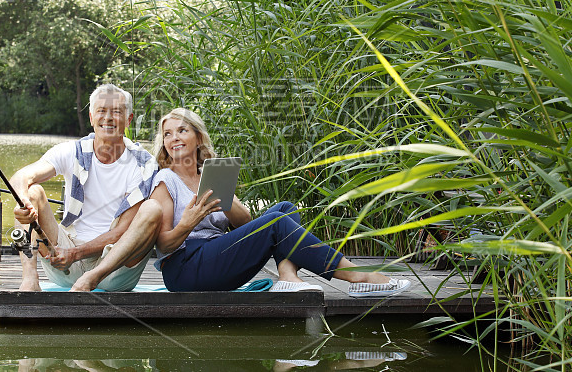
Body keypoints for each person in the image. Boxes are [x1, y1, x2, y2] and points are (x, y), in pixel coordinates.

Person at [149, 108, 411, 297]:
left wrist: (225, 200)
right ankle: (359, 276)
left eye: (182, 130)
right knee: (276, 222)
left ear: (197, 137)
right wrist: (187, 223)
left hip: (216, 256)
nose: (174, 138)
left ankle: (287, 277)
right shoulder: (166, 180)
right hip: (185, 269)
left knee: (285, 208)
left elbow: (245, 223)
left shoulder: (209, 173)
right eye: (168, 134)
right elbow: (162, 245)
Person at [11, 83, 162, 292]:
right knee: (33, 192)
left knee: (153, 208)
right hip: (64, 262)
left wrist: (76, 254)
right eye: (101, 111)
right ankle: (29, 279)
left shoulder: (144, 164)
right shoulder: (71, 151)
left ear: (128, 119)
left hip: (112, 269)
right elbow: (21, 176)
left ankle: (91, 278)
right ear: (91, 117)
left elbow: (122, 231)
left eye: (116, 112)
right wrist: (23, 203)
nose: (108, 118)